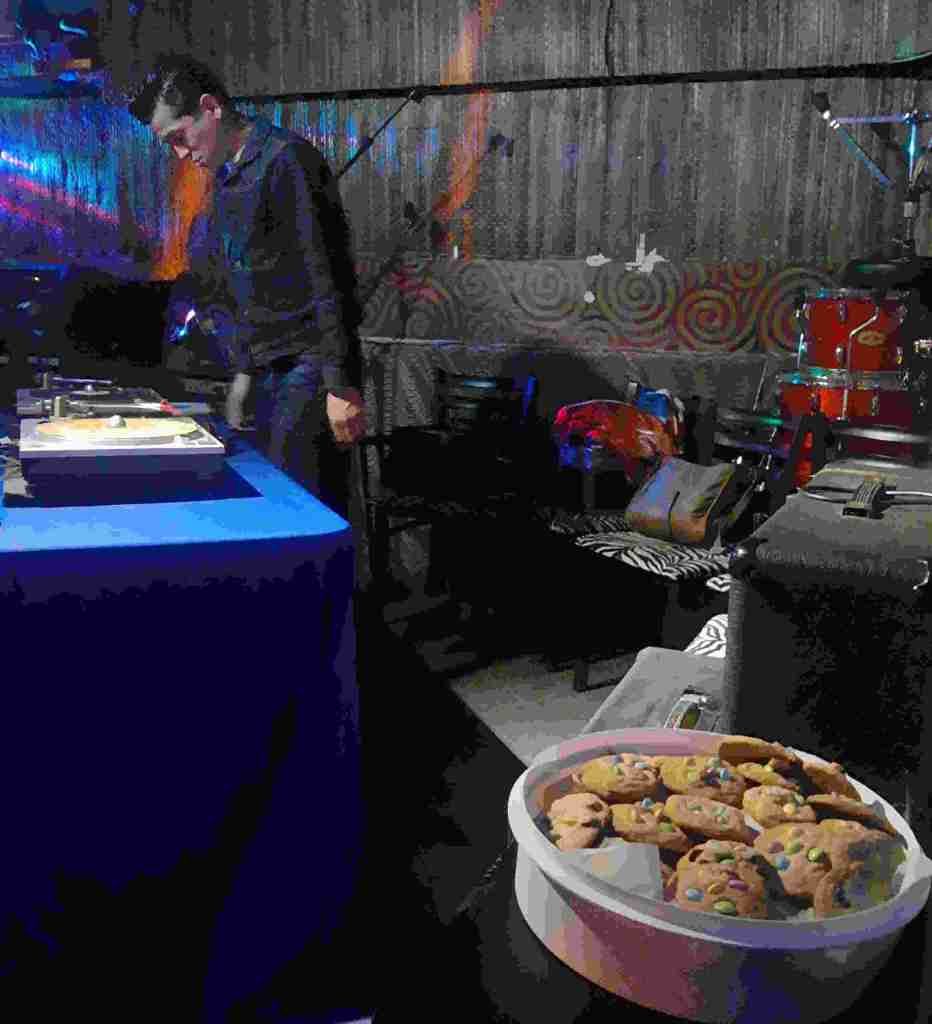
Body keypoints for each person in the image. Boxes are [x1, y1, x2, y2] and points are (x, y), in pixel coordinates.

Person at [127, 53, 367, 519]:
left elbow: (329, 274)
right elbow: (241, 286)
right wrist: (244, 373)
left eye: (179, 137)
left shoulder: (286, 160)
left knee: (307, 509)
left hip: (310, 364)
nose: (180, 154)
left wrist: (341, 386)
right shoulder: (227, 177)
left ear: (210, 108)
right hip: (268, 366)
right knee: (275, 506)